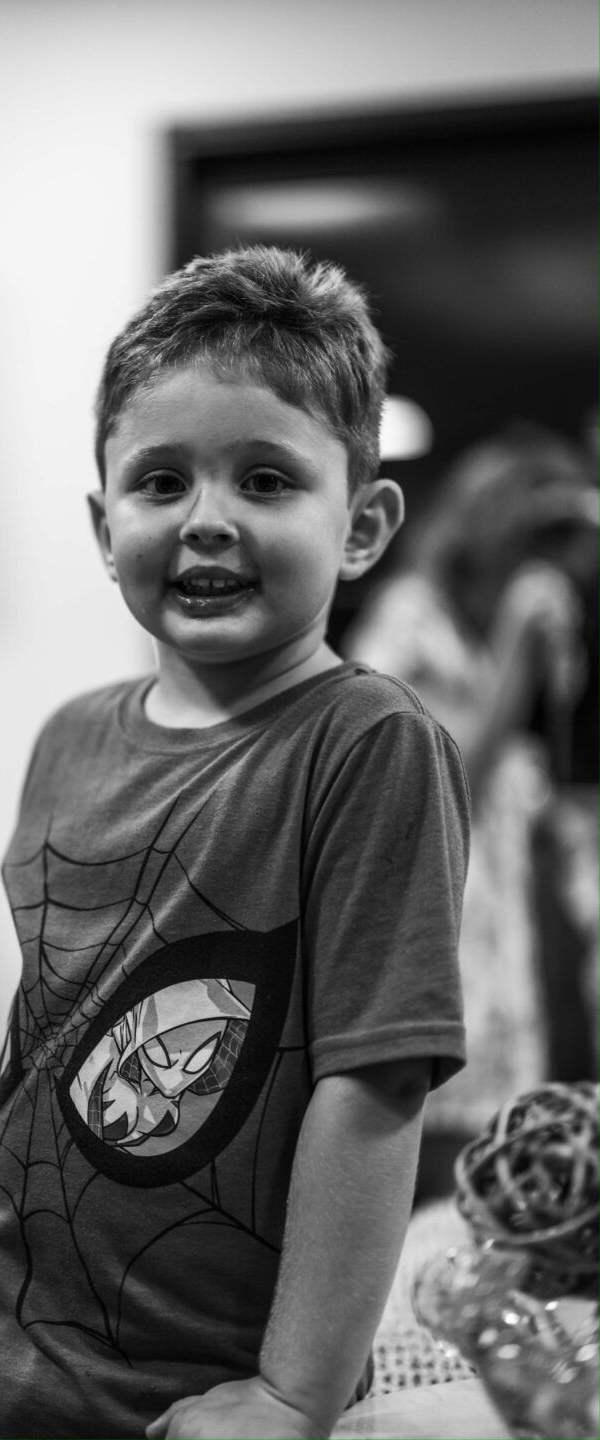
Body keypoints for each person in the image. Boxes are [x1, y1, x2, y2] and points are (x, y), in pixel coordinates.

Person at [0, 245, 469, 1440]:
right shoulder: (69, 738)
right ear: (105, 524)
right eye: (161, 481)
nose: (208, 521)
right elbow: (55, 1010)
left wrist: (293, 1395)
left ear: (362, 526)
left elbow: (375, 1087)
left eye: (266, 480)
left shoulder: (368, 745)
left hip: (176, 1379)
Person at [344, 425, 598, 1199]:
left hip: (500, 982)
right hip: (427, 982)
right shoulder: (410, 620)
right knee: (427, 1204)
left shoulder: (482, 640)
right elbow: (431, 780)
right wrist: (518, 654)